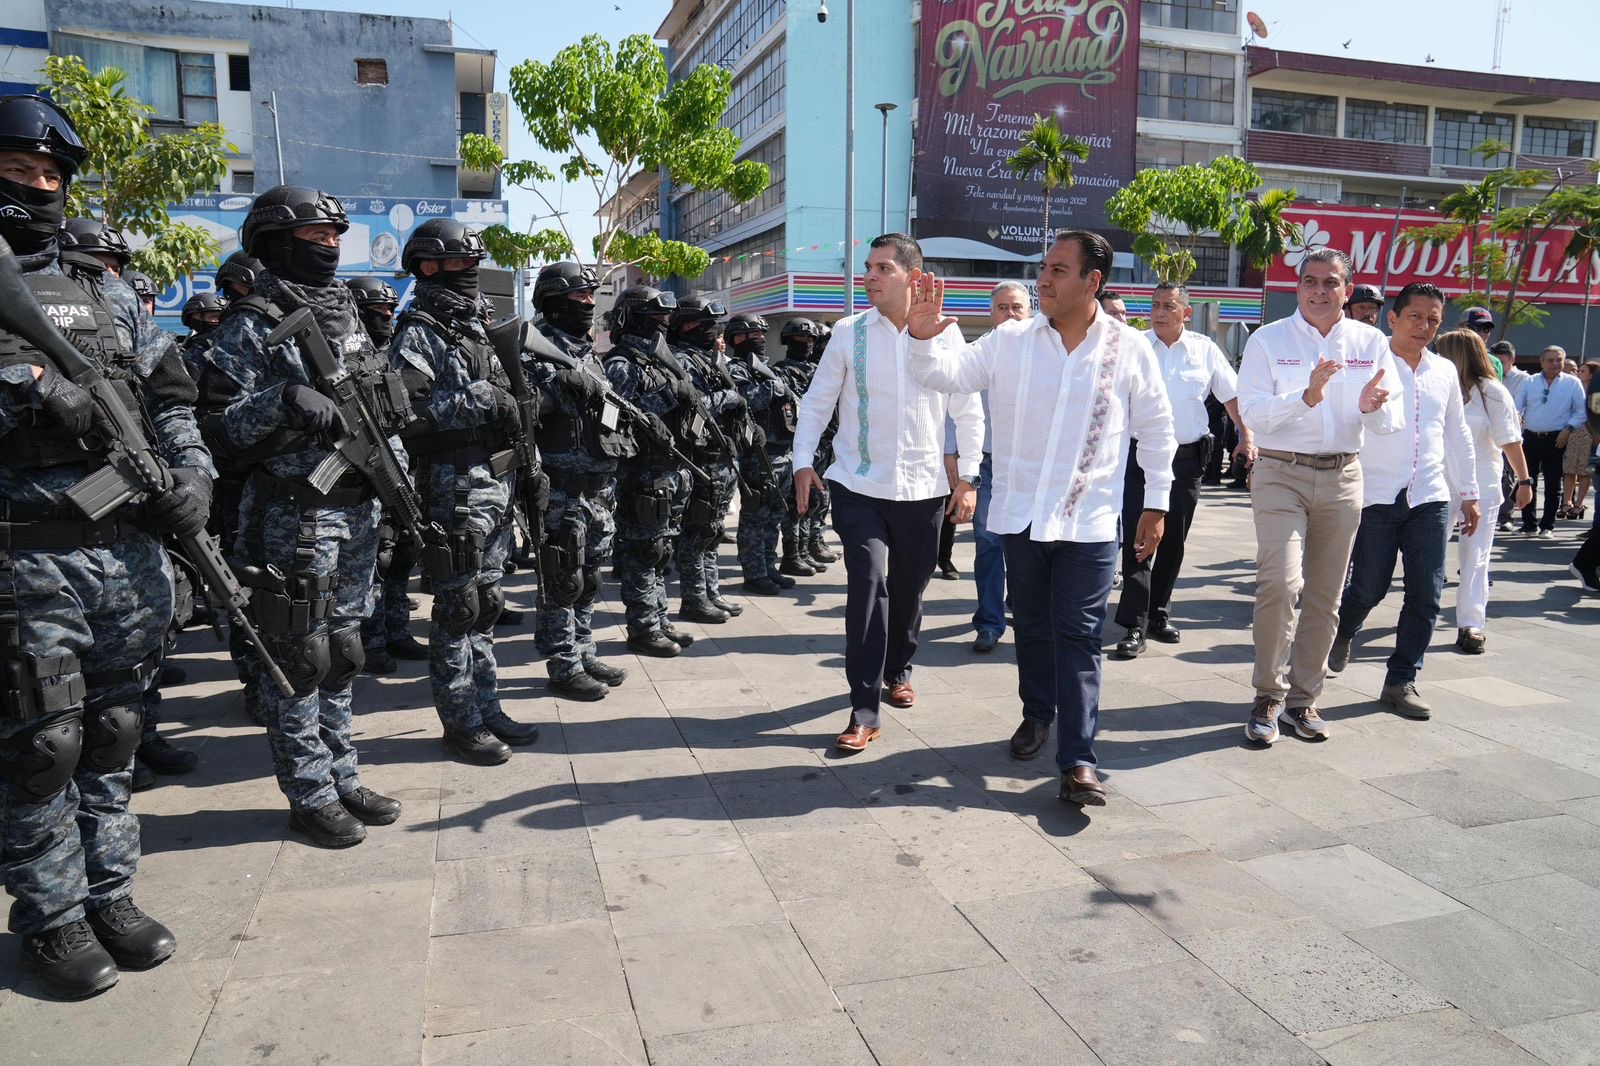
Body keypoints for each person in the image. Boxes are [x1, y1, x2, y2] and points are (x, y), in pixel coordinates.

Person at [0, 94, 210, 996]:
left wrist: (191, 479)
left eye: (51, 176)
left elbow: (169, 396)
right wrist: (29, 383)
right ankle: (51, 918)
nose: (39, 189)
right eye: (18, 172)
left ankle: (110, 892)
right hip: (27, 554)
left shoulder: (109, 292)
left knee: (117, 733)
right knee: (42, 744)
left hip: (124, 550)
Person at [906, 230, 1175, 804]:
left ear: (1092, 282)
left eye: (1057, 270)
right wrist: (924, 339)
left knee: (1079, 636)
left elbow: (1156, 431)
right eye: (1043, 268)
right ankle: (1037, 714)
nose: (1043, 280)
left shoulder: (1129, 348)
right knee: (1029, 627)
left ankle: (1078, 760)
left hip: (1092, 522)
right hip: (1020, 518)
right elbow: (944, 377)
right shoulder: (1009, 340)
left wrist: (1156, 504)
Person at [200, 184, 402, 846]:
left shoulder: (347, 317)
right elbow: (216, 428)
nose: (332, 249)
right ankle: (309, 792)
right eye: (318, 238)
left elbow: (374, 406)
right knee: (301, 659)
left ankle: (343, 774)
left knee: (342, 653)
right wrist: (283, 398)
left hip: (357, 508)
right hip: (293, 514)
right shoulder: (250, 322)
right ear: (278, 242)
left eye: (336, 238)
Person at [792, 233, 984, 753]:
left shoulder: (945, 336)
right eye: (868, 267)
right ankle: (864, 706)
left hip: (923, 490)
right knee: (868, 582)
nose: (869, 276)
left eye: (882, 268)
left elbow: (967, 410)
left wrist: (967, 478)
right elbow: (817, 403)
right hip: (858, 483)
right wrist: (803, 463)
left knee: (909, 587)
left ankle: (899, 665)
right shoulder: (848, 333)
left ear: (912, 278)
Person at [1236, 246, 1400, 746]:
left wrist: (1372, 407)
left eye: (1331, 282)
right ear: (1298, 287)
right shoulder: (1269, 339)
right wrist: (1306, 396)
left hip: (1343, 475)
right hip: (1280, 472)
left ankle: (1304, 700)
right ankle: (1268, 693)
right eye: (1310, 281)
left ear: (1347, 291)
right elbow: (1254, 413)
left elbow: (1391, 420)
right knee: (1281, 585)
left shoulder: (1370, 341)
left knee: (1326, 597)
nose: (1320, 291)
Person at [390, 220, 540, 764]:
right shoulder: (419, 331)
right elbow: (405, 413)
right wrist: (480, 399)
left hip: (495, 480)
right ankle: (460, 722)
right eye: (459, 263)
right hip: (452, 486)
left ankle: (486, 705)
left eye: (474, 262)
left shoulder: (477, 326)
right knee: (458, 609)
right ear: (428, 267)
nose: (472, 271)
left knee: (488, 604)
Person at [1329, 284, 1478, 720]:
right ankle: (1345, 627)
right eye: (1415, 316)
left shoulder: (1444, 372)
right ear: (1392, 319)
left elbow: (1457, 434)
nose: (1424, 326)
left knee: (1427, 594)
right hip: (1375, 495)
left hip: (1430, 497)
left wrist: (1468, 492)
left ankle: (1400, 681)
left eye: (1433, 319)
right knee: (1369, 586)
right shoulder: (1367, 365)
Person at [1112, 282, 1253, 657]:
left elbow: (1232, 395)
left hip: (1187, 458)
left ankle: (1158, 612)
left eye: (1168, 306)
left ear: (1185, 313)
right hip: (1138, 457)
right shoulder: (1135, 345)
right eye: (1156, 305)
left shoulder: (1205, 350)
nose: (1160, 312)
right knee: (1139, 537)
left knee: (1174, 538)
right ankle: (1134, 624)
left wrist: (1246, 436)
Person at [529, 261, 633, 698]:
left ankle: (584, 649)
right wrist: (556, 386)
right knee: (562, 579)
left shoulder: (587, 350)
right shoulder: (533, 349)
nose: (588, 305)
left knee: (588, 578)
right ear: (553, 301)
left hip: (597, 485)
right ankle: (563, 662)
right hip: (562, 485)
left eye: (591, 297)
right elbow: (523, 409)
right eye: (578, 297)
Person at [604, 285, 701, 656]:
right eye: (654, 319)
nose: (662, 325)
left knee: (660, 552)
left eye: (665, 319)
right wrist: (671, 394)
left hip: (669, 470)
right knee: (642, 553)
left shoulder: (662, 361)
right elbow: (616, 414)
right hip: (639, 474)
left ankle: (659, 619)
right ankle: (643, 628)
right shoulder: (621, 363)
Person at [1435, 329, 1533, 653]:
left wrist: (1524, 480)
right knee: (1427, 555)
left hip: (1483, 485)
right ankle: (1420, 619)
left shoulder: (1493, 392)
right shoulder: (1437, 386)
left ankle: (1471, 625)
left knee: (1475, 557)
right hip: (1437, 483)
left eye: (1442, 351)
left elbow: (1510, 440)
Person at [344, 276, 422, 675]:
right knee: (375, 562)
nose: (387, 317)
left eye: (391, 310)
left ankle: (396, 629)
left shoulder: (385, 355)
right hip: (364, 475)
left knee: (400, 556)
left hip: (397, 473)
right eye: (378, 311)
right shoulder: (347, 354)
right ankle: (371, 640)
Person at [667, 298, 746, 621]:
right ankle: (694, 598)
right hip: (699, 457)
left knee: (711, 532)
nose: (713, 331)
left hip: (721, 455)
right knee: (695, 533)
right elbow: (694, 406)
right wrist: (729, 397)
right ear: (686, 326)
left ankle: (711, 591)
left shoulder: (709, 360)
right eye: (705, 324)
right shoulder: (681, 360)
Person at [967, 282, 1024, 653]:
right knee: (989, 544)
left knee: (1031, 545)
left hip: (1031, 466)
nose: (1010, 315)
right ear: (991, 313)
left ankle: (1026, 611)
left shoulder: (1049, 353)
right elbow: (957, 413)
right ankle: (989, 622)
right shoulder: (976, 354)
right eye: (1002, 308)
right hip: (989, 464)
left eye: (1017, 307)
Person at [728, 313, 803, 591]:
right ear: (737, 339)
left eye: (762, 334)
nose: (760, 339)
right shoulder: (735, 369)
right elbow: (746, 400)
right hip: (757, 455)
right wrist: (773, 386)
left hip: (783, 452)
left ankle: (769, 566)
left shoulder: (771, 369)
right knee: (755, 517)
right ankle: (754, 573)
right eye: (754, 335)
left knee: (775, 515)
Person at [773, 318, 837, 573]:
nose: (808, 346)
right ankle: (792, 553)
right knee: (797, 502)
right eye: (801, 341)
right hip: (801, 446)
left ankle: (809, 545)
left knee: (818, 499)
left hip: (825, 443)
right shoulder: (781, 372)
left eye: (811, 341)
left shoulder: (817, 370)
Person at [1516, 344, 1587, 537]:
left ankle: (1547, 525)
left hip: (1557, 438)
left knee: (1553, 483)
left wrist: (1568, 430)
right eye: (1550, 360)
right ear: (1541, 362)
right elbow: (1516, 408)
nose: (1555, 363)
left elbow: (1581, 411)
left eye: (1559, 360)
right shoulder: (1529, 382)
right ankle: (1528, 524)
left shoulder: (1572, 383)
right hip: (1530, 437)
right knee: (1527, 480)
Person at [1560, 360, 1596, 520]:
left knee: (1584, 471)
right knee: (1569, 469)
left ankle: (1578, 504)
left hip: (1590, 433)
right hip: (1573, 432)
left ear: (1592, 374)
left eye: (1583, 371)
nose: (1578, 373)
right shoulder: (1574, 389)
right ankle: (1566, 502)